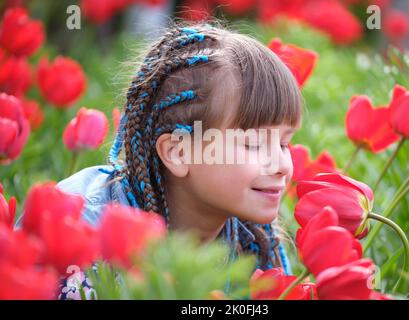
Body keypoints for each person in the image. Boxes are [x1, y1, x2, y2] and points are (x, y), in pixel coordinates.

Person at [50, 21, 302, 299]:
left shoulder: (254, 240)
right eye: (254, 144)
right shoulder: (81, 228)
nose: (281, 165)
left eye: (283, 143)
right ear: (179, 152)